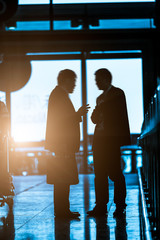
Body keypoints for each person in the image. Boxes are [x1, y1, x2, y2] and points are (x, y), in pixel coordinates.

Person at [45, 69, 90, 219]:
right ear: (65, 80)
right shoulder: (59, 96)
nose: (74, 85)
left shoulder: (58, 94)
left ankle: (63, 210)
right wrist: (78, 114)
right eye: (73, 81)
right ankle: (62, 211)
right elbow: (62, 121)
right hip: (62, 144)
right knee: (62, 179)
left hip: (61, 144)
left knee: (62, 180)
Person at [87, 68, 130, 218]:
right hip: (100, 140)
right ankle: (101, 206)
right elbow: (95, 119)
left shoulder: (117, 94)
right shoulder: (100, 98)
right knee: (99, 174)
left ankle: (120, 205)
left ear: (106, 79)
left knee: (115, 173)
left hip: (111, 140)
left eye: (98, 80)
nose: (96, 83)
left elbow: (117, 115)